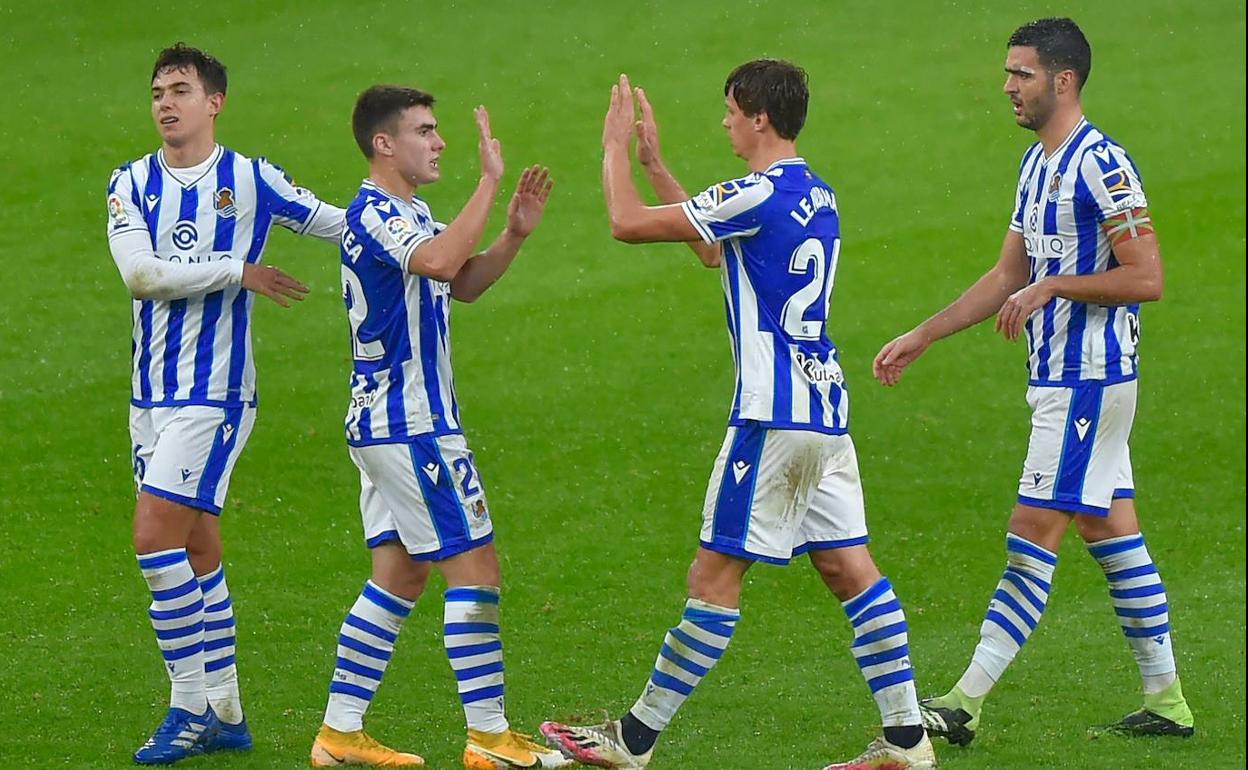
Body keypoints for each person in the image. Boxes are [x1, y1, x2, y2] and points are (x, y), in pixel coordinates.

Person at [539, 62, 936, 770]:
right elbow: (717, 251)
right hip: (824, 413)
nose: (722, 122)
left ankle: (633, 740)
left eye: (729, 111)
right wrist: (659, 166)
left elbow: (625, 224)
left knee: (712, 578)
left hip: (772, 417)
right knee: (850, 570)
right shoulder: (817, 194)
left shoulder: (755, 191)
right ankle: (907, 740)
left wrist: (611, 151)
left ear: (758, 117)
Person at [873, 17, 1194, 746]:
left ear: (1064, 79)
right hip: (1062, 381)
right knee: (1110, 530)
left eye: (1021, 74)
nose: (1008, 87)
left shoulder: (1102, 164)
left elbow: (1147, 277)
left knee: (1030, 537)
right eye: (1009, 74)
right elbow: (1007, 276)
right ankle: (1168, 701)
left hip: (1088, 381)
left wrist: (1056, 290)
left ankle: (962, 702)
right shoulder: (1036, 166)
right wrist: (924, 335)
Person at [307, 84, 567, 770]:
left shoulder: (409, 210)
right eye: (426, 130)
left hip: (390, 425)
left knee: (398, 577)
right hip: (411, 426)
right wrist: (487, 182)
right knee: (475, 569)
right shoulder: (374, 213)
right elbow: (441, 261)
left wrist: (512, 232)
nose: (440, 140)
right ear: (384, 144)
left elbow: (465, 281)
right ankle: (489, 739)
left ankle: (338, 734)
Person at [107, 43, 345, 765]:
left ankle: (186, 708)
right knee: (195, 544)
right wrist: (236, 270)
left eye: (180, 89)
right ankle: (229, 712)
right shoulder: (130, 182)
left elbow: (337, 223)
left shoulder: (250, 178)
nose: (165, 103)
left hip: (214, 395)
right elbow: (141, 274)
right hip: (149, 395)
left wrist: (427, 239)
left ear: (214, 102)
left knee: (153, 539)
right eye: (157, 92)